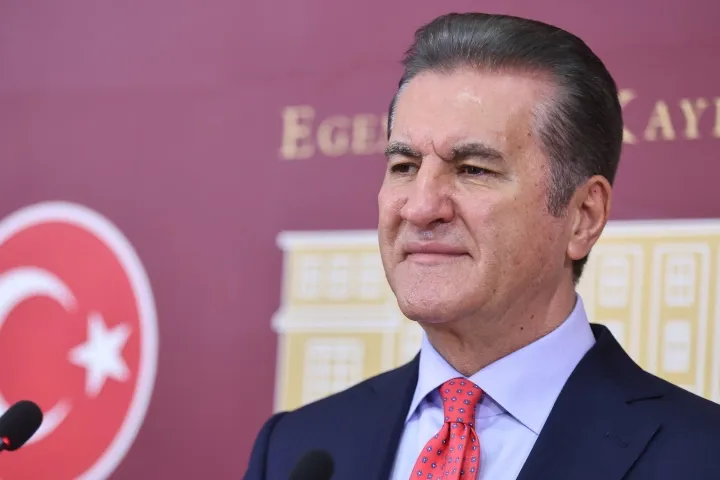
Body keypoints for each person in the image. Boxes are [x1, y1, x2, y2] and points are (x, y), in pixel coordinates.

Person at [243, 12, 720, 480]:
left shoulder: (702, 455)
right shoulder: (294, 449)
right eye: (405, 166)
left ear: (583, 216)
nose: (420, 207)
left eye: (473, 169)